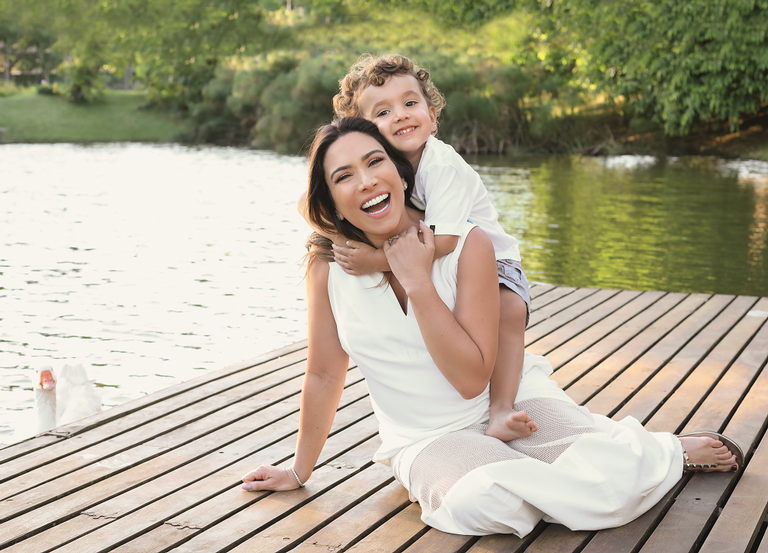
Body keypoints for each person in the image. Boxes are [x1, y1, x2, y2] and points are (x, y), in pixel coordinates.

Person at [243, 117, 743, 537]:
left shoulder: (467, 244)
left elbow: (470, 378)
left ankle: (660, 451)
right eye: (343, 176)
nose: (367, 180)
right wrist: (298, 470)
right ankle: (575, 469)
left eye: (375, 162)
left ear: (399, 172)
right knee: (483, 501)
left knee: (603, 475)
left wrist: (414, 278)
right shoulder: (328, 268)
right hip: (425, 438)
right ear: (329, 201)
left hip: (508, 399)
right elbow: (325, 375)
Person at [300, 53, 535, 442]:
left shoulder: (440, 165)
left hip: (494, 257)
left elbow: (439, 241)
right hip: (422, 430)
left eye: (411, 104)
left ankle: (501, 407)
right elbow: (314, 207)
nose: (402, 116)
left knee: (509, 311)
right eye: (384, 112)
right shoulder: (390, 166)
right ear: (366, 129)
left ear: (432, 114)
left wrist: (377, 259)